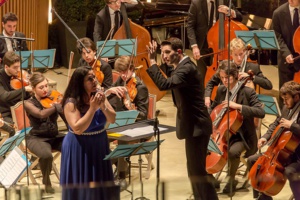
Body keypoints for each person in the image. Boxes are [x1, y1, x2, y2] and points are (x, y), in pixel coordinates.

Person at [146, 37, 218, 200]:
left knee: (198, 172)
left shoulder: (186, 69)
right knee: (193, 171)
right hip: (193, 126)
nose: (163, 56)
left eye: (167, 52)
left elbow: (164, 85)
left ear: (179, 52)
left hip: (198, 127)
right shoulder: (181, 66)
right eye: (161, 52)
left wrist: (152, 61)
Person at [209, 60, 265, 196]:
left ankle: (231, 179)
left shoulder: (247, 92)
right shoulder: (222, 90)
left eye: (227, 78)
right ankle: (209, 177)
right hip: (222, 133)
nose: (224, 81)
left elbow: (260, 112)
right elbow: (214, 107)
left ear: (234, 76)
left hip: (243, 136)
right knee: (202, 145)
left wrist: (238, 106)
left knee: (233, 152)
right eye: (222, 78)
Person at [60, 66, 117, 199]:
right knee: (82, 186)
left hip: (99, 145)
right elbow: (78, 129)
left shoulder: (98, 95)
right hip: (79, 147)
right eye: (89, 79)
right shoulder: (71, 102)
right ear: (80, 83)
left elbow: (112, 119)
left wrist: (103, 106)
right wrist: (92, 109)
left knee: (100, 184)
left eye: (94, 77)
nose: (94, 81)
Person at [247, 81, 300, 200]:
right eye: (283, 99)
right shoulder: (287, 108)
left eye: (286, 99)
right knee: (252, 160)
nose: (285, 103)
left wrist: (292, 125)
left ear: (296, 97)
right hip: (281, 153)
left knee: (290, 172)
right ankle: (263, 195)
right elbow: (276, 123)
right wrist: (264, 137)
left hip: (297, 156)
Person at [105, 55, 149, 190]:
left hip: (136, 125)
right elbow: (107, 98)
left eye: (124, 72)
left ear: (131, 68)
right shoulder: (120, 81)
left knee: (122, 139)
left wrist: (131, 108)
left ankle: (122, 176)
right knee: (99, 136)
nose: (122, 76)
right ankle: (115, 163)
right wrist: (108, 91)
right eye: (120, 73)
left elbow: (143, 114)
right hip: (120, 122)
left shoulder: (140, 87)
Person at [24, 72, 66, 194]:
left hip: (54, 136)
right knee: (46, 155)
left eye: (46, 86)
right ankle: (46, 182)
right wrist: (56, 107)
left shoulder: (53, 98)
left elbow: (65, 118)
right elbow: (40, 114)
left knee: (74, 145)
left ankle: (70, 178)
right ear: (33, 89)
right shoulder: (29, 103)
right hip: (37, 137)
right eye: (41, 87)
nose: (45, 89)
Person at [186, 0, 243, 90]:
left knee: (223, 74)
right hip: (202, 44)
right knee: (203, 75)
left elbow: (240, 17)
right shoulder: (196, 3)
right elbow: (190, 26)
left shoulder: (225, 1)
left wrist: (230, 11)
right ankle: (204, 99)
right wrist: (194, 46)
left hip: (219, 44)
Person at [205, 38, 273, 109]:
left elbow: (269, 85)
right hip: (225, 104)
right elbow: (211, 83)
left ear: (245, 52)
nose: (239, 58)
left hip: (244, 108)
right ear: (231, 54)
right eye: (235, 55)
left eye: (241, 54)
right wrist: (207, 97)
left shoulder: (253, 67)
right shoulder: (226, 66)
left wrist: (252, 77)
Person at [272, 0, 300, 108]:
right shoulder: (278, 13)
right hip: (286, 61)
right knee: (285, 95)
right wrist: (286, 53)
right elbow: (278, 37)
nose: (290, 0)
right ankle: (283, 120)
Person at [0, 51, 32, 137]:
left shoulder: (20, 75)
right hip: (6, 113)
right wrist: (24, 89)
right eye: (15, 67)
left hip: (21, 110)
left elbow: (26, 96)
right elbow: (4, 96)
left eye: (19, 66)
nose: (18, 70)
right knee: (17, 131)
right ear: (6, 66)